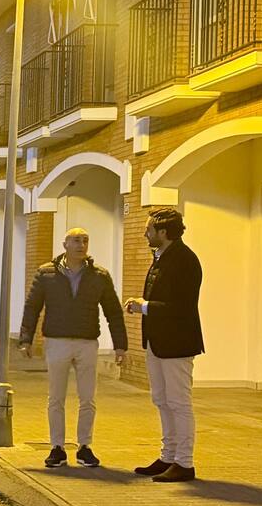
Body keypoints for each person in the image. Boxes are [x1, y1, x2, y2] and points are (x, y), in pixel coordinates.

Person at [19, 228, 127, 469]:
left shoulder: (99, 275)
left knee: (88, 397)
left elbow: (113, 311)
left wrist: (120, 345)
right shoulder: (47, 273)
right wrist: (25, 339)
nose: (81, 245)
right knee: (56, 397)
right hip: (57, 341)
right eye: (76, 240)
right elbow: (32, 307)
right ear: (65, 244)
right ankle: (57, 447)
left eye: (85, 240)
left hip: (87, 342)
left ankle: (85, 446)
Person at [125, 207, 203, 483]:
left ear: (164, 232)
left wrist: (143, 306)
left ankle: (184, 462)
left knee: (179, 402)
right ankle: (168, 455)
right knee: (161, 400)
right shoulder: (162, 257)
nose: (145, 233)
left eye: (150, 229)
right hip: (158, 343)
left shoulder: (184, 260)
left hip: (177, 343)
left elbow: (181, 307)